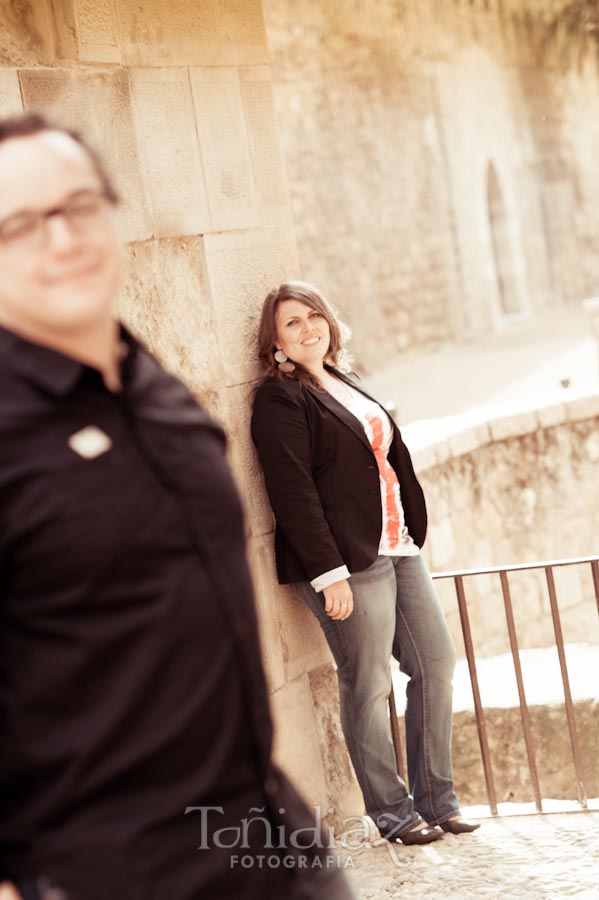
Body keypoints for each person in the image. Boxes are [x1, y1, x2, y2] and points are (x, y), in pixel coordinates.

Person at [0, 116, 356, 900]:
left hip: (265, 839)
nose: (62, 240)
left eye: (79, 207)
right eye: (21, 224)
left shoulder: (154, 389)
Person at [251, 281, 481, 846]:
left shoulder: (343, 380)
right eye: (292, 324)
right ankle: (395, 814)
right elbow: (293, 490)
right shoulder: (280, 398)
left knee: (436, 664)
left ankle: (438, 800)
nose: (308, 329)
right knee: (367, 682)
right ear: (274, 341)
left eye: (314, 317)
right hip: (346, 560)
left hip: (395, 544)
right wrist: (329, 573)